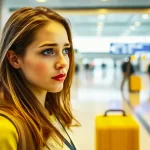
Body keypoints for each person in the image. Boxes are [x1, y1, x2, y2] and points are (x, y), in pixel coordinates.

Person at [0, 6, 80, 150]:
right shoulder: (5, 128)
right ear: (14, 59)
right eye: (48, 51)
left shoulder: (49, 111)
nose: (63, 62)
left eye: (65, 50)